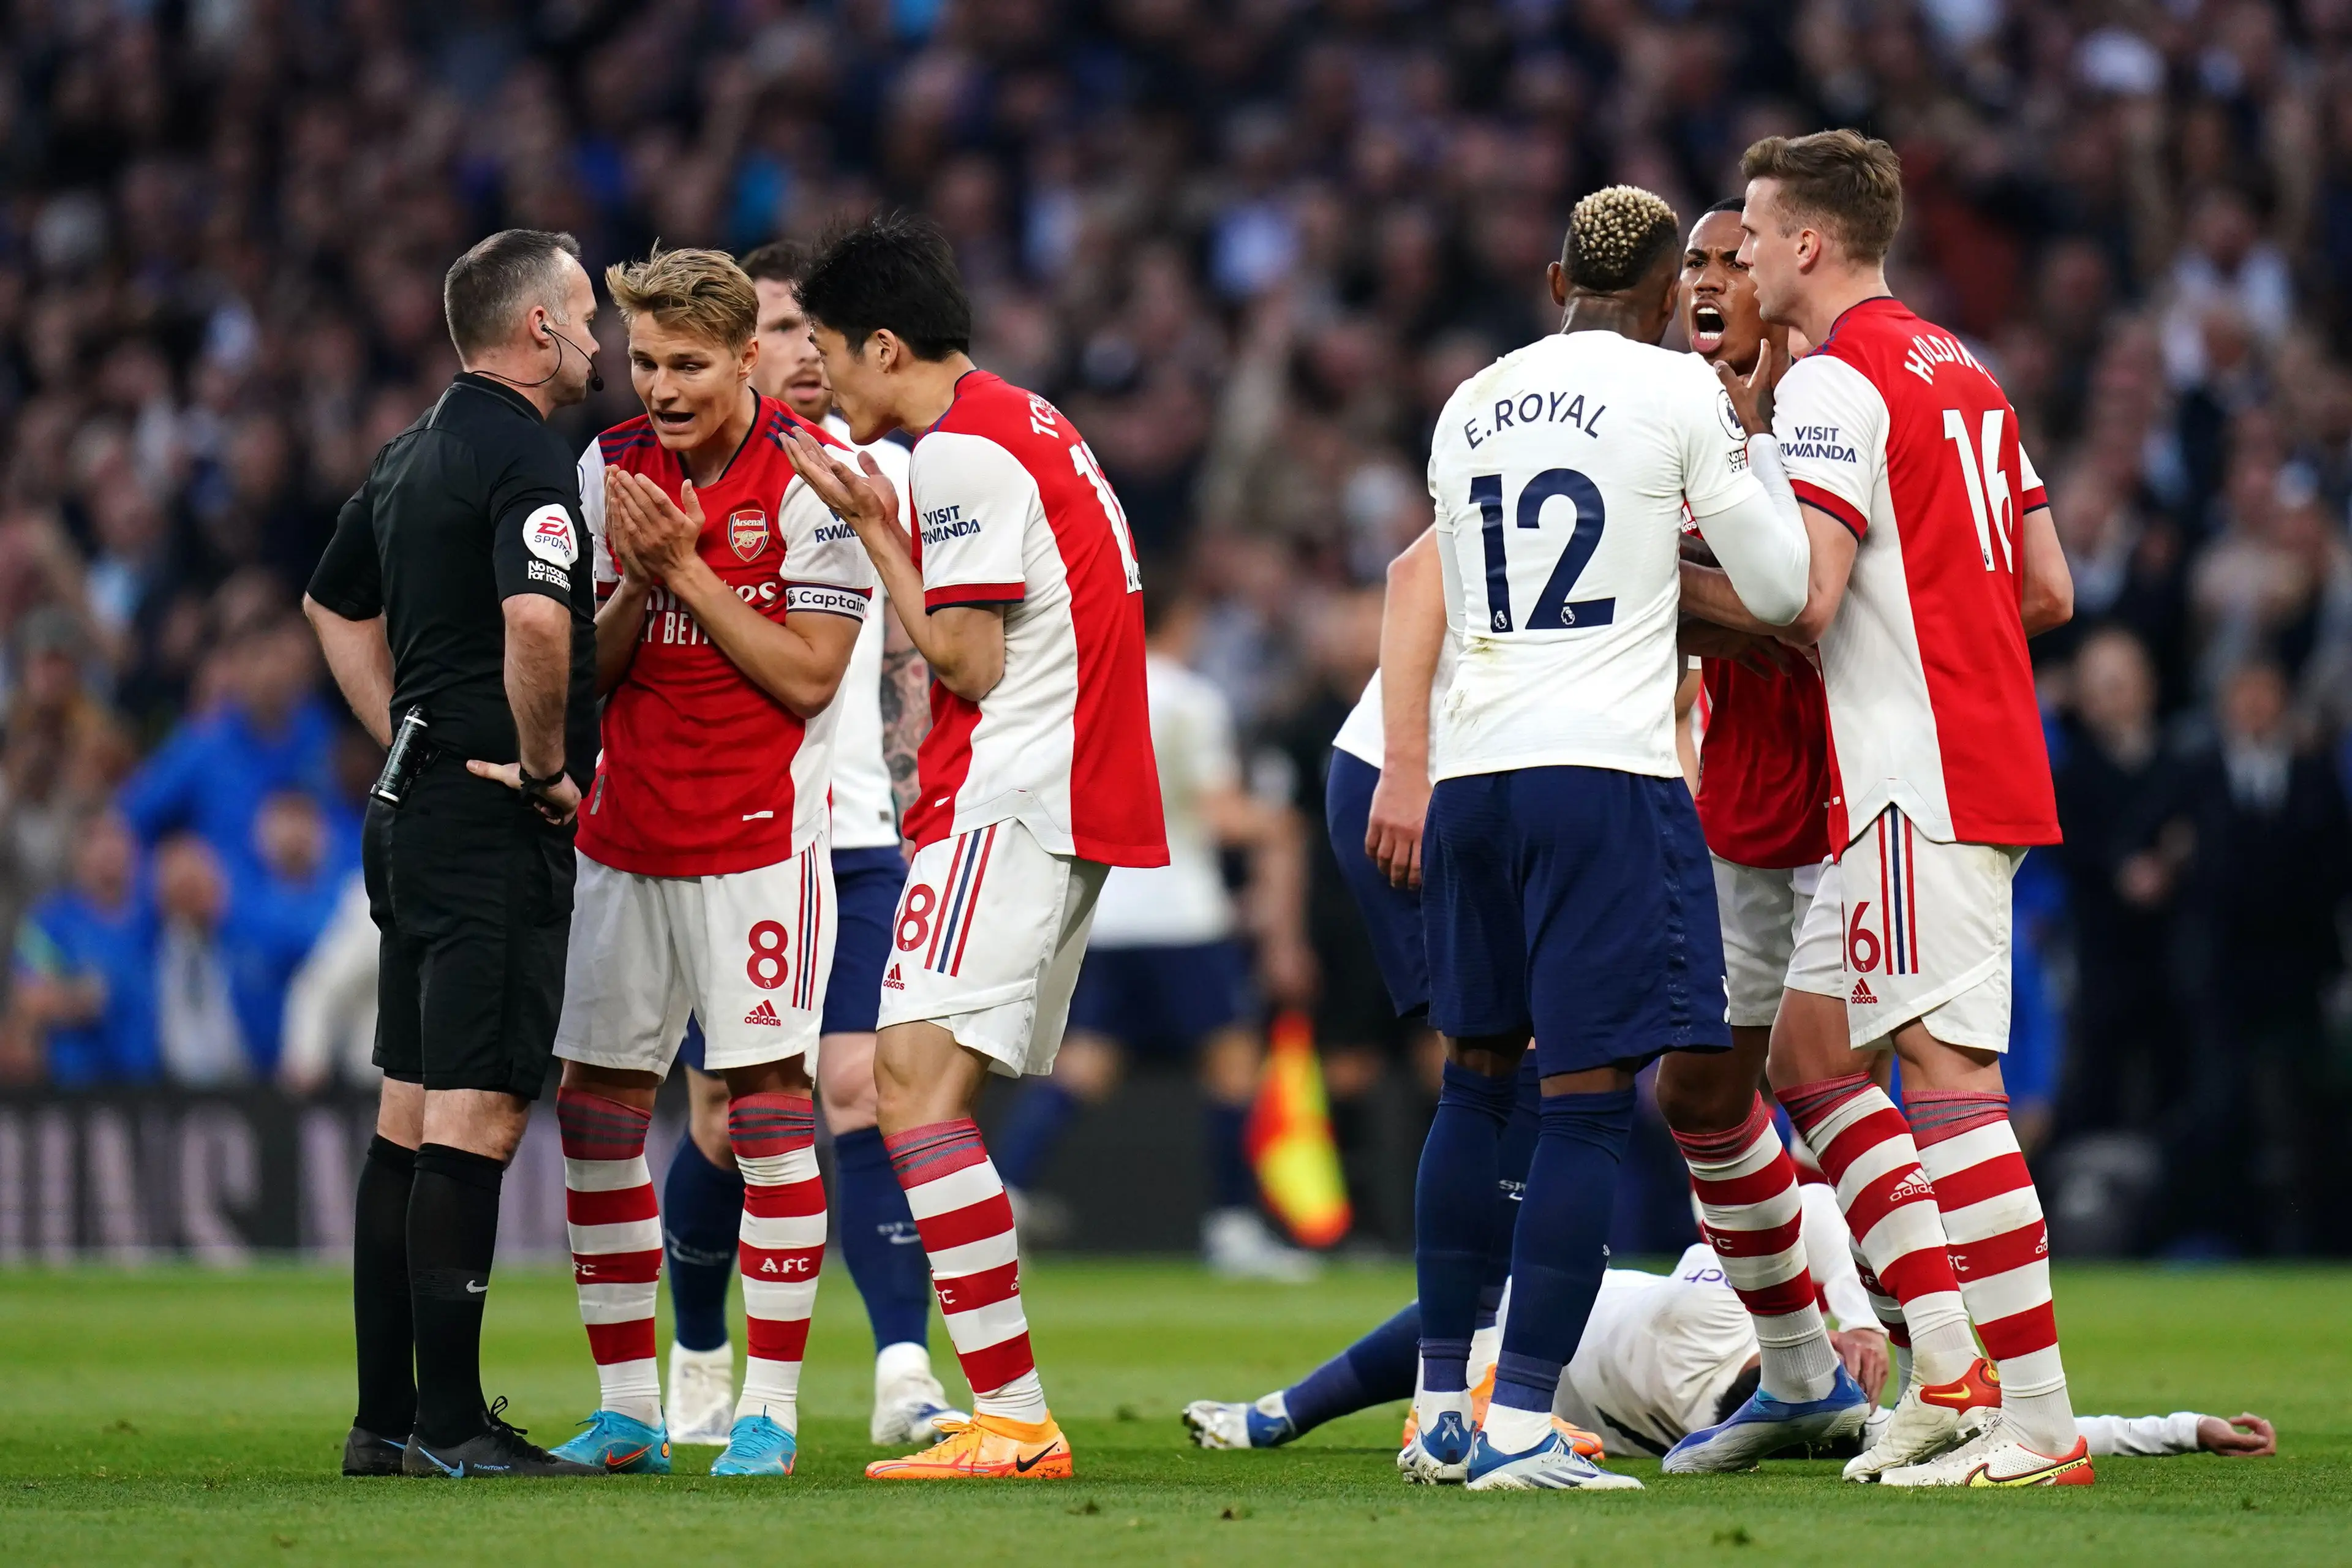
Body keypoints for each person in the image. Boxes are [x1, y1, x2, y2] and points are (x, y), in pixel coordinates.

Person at [1679, 130, 2083, 1487]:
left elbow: (1805, 597)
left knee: (1954, 1077)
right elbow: (2046, 589)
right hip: (1966, 752)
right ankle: (1957, 1367)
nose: (1739, 253)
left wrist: (1655, 577)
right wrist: (1941, 633)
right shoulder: (1960, 365)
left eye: (1754, 230)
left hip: (1916, 774)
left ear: (1805, 244)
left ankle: (2035, 1421)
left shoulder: (1842, 382)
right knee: (1810, 1056)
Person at [1406, 184, 1810, 1492]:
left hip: (1475, 770)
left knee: (1473, 1083)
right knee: (1583, 1106)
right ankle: (1521, 1418)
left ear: (1551, 275)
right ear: (1657, 298)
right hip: (1603, 774)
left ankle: (1435, 1410)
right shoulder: (1676, 390)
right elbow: (1782, 587)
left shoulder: (1466, 402)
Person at [783, 212, 1167, 1482]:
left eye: (831, 349)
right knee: (930, 1092)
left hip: (1008, 794)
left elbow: (965, 656)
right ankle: (1007, 1409)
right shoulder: (1026, 418)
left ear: (884, 343)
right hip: (1062, 795)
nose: (826, 379)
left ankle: (1009, 1415)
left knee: (904, 1087)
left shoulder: (961, 453)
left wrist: (880, 533)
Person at [543, 247, 874, 1479]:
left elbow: (807, 673)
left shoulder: (809, 472)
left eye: (688, 363)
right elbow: (598, 673)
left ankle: (769, 1407)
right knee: (596, 1109)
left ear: (747, 357)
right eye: (645, 361)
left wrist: (686, 566)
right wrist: (635, 578)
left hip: (755, 844)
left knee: (766, 1111)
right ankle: (630, 1405)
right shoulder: (609, 466)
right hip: (626, 838)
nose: (663, 386)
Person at [303, 228, 603, 1481]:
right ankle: (451, 1420)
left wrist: (404, 729)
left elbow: (331, 599)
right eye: (585, 311)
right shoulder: (522, 452)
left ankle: (386, 1418)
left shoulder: (412, 444)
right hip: (489, 818)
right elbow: (537, 616)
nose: (600, 334)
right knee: (476, 1110)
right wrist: (541, 765)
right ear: (536, 328)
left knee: (412, 1108)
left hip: (411, 807)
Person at [650, 241, 957, 1453]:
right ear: (738, 348)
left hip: (865, 834)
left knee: (858, 1087)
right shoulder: (693, 480)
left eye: (806, 328)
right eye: (778, 328)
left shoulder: (894, 473)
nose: (800, 351)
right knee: (726, 1111)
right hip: (729, 833)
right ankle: (700, 1347)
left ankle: (900, 1366)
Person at [1183, 1180, 2278, 1468]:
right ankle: (1279, 1414)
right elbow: (1780, 1211)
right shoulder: (1795, 1262)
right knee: (1473, 1304)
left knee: (1481, 1327)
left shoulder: (1895, 1404)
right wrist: (1840, 1312)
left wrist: (2181, 1428)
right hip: (1605, 1333)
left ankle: (1470, 1419)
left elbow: (2038, 1434)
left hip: (1618, 1410)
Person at [1652, 199, 1871, 1472]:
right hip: (1739, 794)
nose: (1709, 280)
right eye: (1693, 262)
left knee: (1843, 1074)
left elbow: (1810, 614)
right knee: (1701, 1087)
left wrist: (1652, 587)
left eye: (1734, 257)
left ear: (1786, 270)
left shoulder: (1829, 410)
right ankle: (1795, 1372)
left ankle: (1953, 1356)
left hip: (1851, 782)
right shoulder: (1673, 416)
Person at [990, 573, 1317, 1280]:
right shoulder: (1191, 699)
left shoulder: (1091, 690)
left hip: (1108, 913)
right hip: (1182, 913)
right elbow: (1221, 811)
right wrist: (1282, 825)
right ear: (1185, 617)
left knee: (1086, 1063)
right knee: (1232, 1064)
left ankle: (1004, 1195)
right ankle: (1232, 1227)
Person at [9, 811, 157, 1086]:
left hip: (155, 1085)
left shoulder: (155, 917)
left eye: (116, 836)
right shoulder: (48, 921)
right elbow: (29, 999)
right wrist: (80, 998)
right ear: (77, 852)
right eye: (93, 838)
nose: (107, 848)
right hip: (78, 1088)